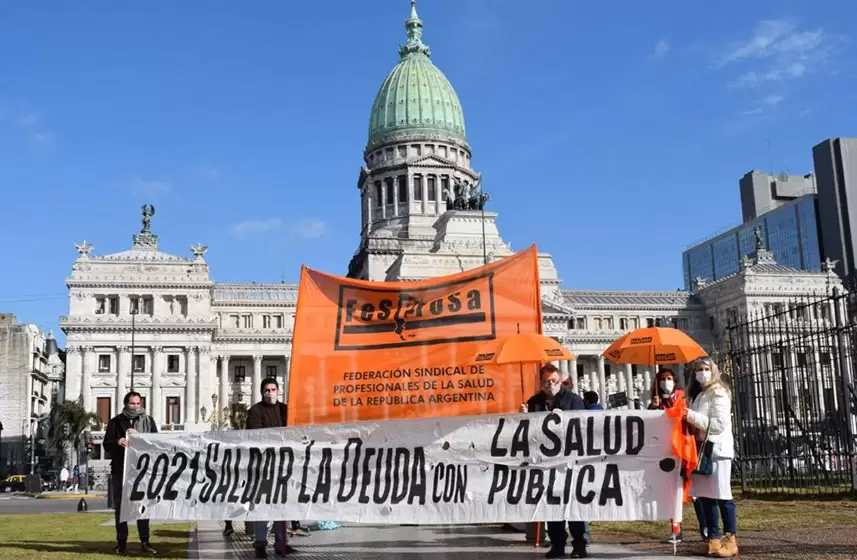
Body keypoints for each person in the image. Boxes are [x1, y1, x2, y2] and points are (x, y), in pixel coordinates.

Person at [520, 364, 588, 559]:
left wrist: (565, 419)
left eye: (554, 381)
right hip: (546, 463)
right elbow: (528, 432)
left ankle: (579, 544)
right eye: (546, 382)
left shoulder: (573, 400)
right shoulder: (534, 402)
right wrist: (521, 417)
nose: (550, 385)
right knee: (551, 504)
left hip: (570, 462)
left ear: (560, 381)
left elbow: (584, 425)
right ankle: (557, 544)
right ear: (541, 383)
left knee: (573, 504)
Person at [683, 358, 738, 558]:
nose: (702, 373)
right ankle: (713, 539)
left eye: (706, 369)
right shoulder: (697, 395)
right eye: (699, 369)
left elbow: (717, 425)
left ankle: (730, 538)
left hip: (717, 450)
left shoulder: (718, 392)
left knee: (722, 494)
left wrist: (689, 415)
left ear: (713, 371)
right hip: (701, 451)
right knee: (706, 496)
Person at [103, 391, 158, 556]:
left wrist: (139, 437)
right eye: (132, 403)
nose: (135, 407)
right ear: (126, 404)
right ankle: (121, 543)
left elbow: (156, 442)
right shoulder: (115, 421)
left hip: (141, 470)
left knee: (142, 506)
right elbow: (106, 444)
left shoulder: (148, 421)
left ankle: (145, 541)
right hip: (121, 469)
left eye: (138, 403)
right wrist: (118, 441)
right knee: (121, 506)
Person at [247, 378, 295, 559]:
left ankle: (281, 544)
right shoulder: (255, 411)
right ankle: (260, 544)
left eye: (273, 389)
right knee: (263, 507)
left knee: (283, 506)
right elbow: (255, 435)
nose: (270, 393)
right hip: (264, 466)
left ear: (278, 391)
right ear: (262, 392)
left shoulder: (285, 410)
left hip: (283, 465)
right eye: (267, 390)